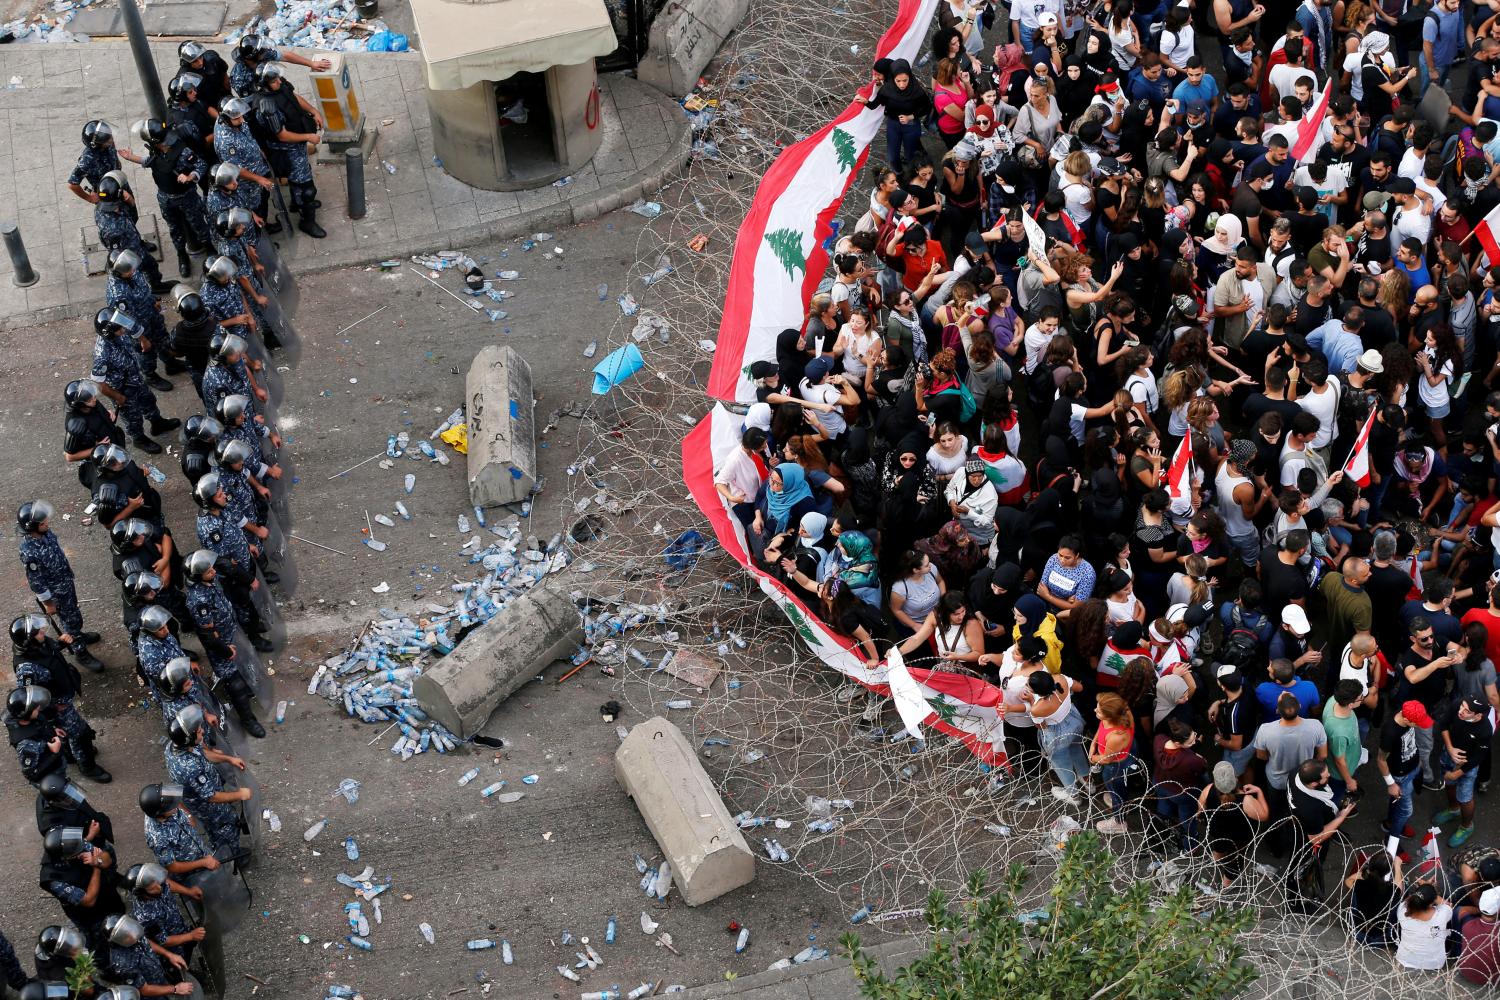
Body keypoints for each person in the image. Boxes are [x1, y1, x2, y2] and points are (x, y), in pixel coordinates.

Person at [252, 62, 327, 238]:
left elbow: (291, 96)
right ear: (265, 84)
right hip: (286, 149)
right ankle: (307, 221)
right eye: (273, 80)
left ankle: (297, 203)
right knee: (307, 188)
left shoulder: (278, 85)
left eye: (278, 77)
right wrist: (308, 138)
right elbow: (282, 136)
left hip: (297, 145)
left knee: (299, 180)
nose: (278, 81)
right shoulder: (266, 107)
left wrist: (313, 110)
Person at [90, 307, 178, 453]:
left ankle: (157, 423)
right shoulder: (102, 355)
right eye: (119, 329)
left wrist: (143, 340)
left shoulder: (118, 331)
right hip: (123, 390)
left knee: (149, 401)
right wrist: (118, 397)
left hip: (136, 379)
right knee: (133, 418)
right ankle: (139, 439)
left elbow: (133, 326)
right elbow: (100, 385)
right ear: (109, 332)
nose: (123, 330)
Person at [137, 118, 212, 278]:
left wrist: (191, 176)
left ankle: (211, 252)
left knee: (199, 225)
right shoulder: (155, 151)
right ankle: (182, 256)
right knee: (174, 229)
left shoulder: (182, 150)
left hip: (186, 197)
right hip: (165, 198)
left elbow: (201, 165)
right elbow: (150, 162)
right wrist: (133, 158)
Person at [1434, 696, 1493, 847]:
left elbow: (1478, 758)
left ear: (1478, 715)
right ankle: (1453, 809)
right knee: (1449, 784)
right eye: (1462, 707)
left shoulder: (1485, 729)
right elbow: (1443, 725)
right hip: (1448, 755)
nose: (1461, 711)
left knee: (1465, 798)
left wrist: (1457, 772)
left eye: (1467, 711)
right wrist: (1450, 748)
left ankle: (1467, 827)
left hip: (1467, 766)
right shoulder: (1457, 705)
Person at [1379, 700, 1431, 843]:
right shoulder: (1390, 732)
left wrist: (1417, 760)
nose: (1419, 725)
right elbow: (1381, 760)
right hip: (1401, 776)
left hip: (1413, 767)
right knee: (1406, 811)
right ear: (1407, 719)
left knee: (1397, 800)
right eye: (1417, 723)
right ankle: (1391, 840)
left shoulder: (1405, 714)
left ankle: (1390, 823)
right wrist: (1391, 784)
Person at [1394, 882, 1453, 971]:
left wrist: (1423, 891)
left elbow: (1409, 900)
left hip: (1405, 958)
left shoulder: (1402, 910)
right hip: (1434, 963)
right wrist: (1431, 893)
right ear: (1431, 903)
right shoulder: (1442, 914)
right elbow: (1448, 905)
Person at [1459, 887, 1500, 985]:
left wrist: (1481, 910)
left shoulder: (1467, 925)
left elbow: (1463, 910)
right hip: (1492, 979)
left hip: (1465, 971)